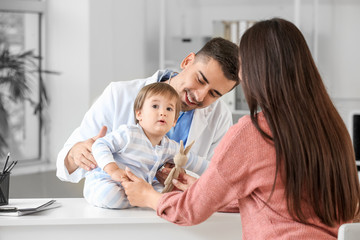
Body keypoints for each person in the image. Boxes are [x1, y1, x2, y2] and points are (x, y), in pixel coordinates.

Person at [120, 18, 360, 239]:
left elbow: (189, 212)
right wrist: (208, 191)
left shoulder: (253, 132)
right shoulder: (333, 128)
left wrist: (150, 197)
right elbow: (280, 200)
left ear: (257, 72)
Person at [56, 37, 240, 183]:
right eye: (200, 80)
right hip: (119, 213)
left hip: (178, 217)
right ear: (187, 61)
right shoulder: (119, 94)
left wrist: (184, 179)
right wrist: (75, 155)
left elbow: (216, 177)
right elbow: (66, 166)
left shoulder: (220, 116)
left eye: (214, 94)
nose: (199, 96)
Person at [83, 83, 208, 209]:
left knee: (169, 194)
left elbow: (194, 161)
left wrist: (219, 171)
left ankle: (140, 200)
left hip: (139, 187)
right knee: (111, 196)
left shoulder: (170, 147)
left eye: (169, 109)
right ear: (139, 114)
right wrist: (113, 170)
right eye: (155, 106)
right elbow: (100, 144)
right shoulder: (129, 133)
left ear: (174, 121)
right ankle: (138, 200)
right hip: (106, 180)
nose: (162, 112)